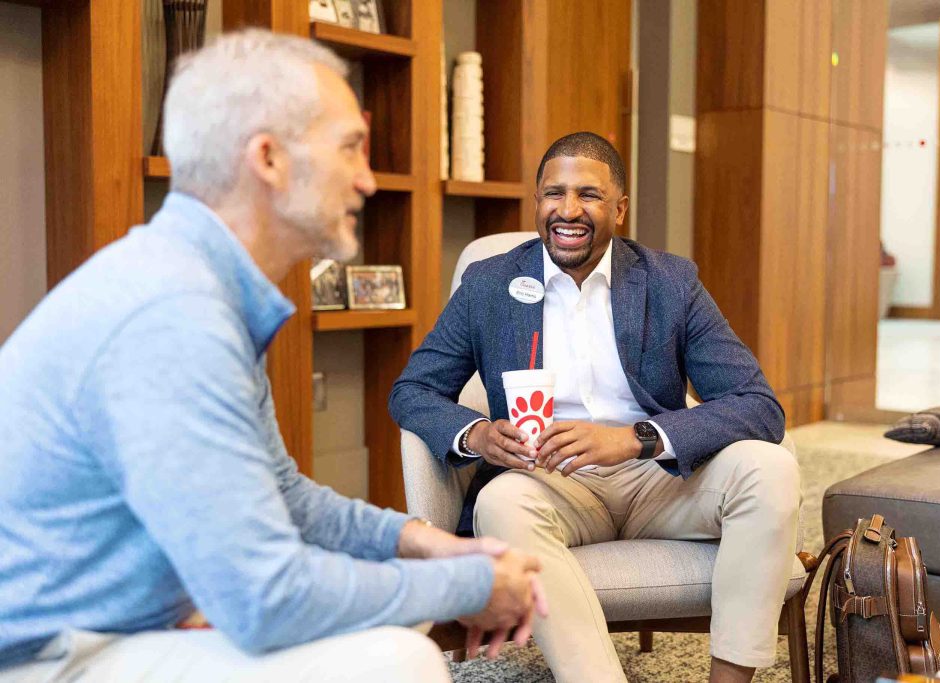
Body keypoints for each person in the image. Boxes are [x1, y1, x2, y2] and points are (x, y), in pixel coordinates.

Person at [0, 30, 545, 683]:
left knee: (399, 609)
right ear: (268, 158)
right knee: (399, 658)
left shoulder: (197, 285)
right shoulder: (174, 316)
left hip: (105, 628)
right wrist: (466, 584)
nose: (368, 179)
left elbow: (283, 494)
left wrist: (420, 542)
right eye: (350, 147)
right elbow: (264, 598)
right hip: (45, 656)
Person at [390, 132, 801, 683]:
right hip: (551, 482)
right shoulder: (489, 285)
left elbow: (758, 406)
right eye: (553, 194)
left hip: (660, 479)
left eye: (588, 194)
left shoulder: (671, 282)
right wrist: (479, 434)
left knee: (769, 466)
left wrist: (637, 438)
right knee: (500, 502)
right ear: (537, 202)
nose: (568, 210)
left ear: (619, 209)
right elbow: (412, 389)